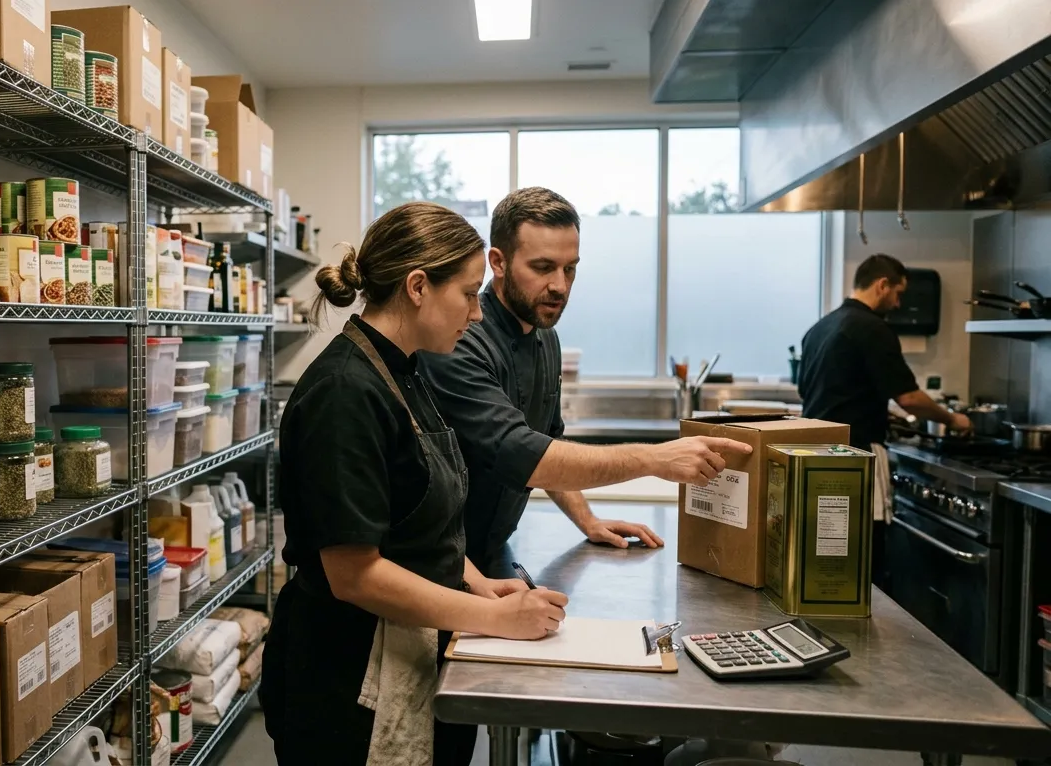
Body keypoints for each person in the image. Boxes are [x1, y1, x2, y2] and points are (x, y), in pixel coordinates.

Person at [260, 201, 569, 766]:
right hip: (347, 678)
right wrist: (495, 619)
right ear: (419, 286)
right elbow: (355, 574)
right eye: (469, 294)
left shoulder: (403, 369)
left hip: (410, 645)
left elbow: (419, 517)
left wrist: (475, 582)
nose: (476, 314)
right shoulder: (344, 392)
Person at [419, 187, 753, 573]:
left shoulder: (546, 337)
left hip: (489, 551)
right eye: (543, 268)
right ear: (498, 261)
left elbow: (549, 442)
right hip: (441, 562)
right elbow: (524, 455)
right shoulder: (460, 340)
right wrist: (654, 458)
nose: (560, 285)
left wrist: (587, 520)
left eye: (570, 268)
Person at [797, 252, 970, 587]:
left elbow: (820, 391)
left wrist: (878, 408)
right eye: (898, 293)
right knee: (866, 554)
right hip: (857, 456)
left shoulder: (820, 328)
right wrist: (954, 420)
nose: (898, 302)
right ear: (882, 284)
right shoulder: (874, 328)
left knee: (827, 555)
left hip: (814, 458)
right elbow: (910, 398)